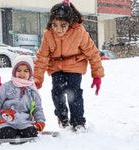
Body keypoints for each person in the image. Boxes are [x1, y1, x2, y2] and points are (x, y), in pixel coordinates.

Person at [33, 0, 104, 131]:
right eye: (54, 25)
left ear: (70, 22)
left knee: (74, 92)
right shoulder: (48, 34)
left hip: (74, 65)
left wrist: (97, 75)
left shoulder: (79, 32)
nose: (58, 29)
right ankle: (62, 117)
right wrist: (37, 79)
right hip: (56, 67)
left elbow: (92, 53)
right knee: (57, 92)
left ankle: (78, 121)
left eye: (63, 25)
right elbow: (42, 58)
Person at [0, 55, 46, 139]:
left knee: (31, 133)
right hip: (7, 120)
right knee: (6, 134)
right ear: (14, 71)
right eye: (19, 70)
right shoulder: (7, 86)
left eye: (26, 71)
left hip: (25, 121)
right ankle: (6, 131)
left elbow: (37, 108)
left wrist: (40, 121)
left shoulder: (32, 91)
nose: (22, 73)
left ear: (30, 73)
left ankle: (22, 131)